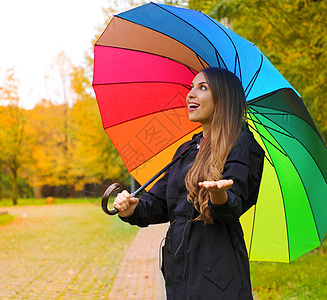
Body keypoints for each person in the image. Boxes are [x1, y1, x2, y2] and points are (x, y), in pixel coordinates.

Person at [113, 67, 265, 300]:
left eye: (202, 88)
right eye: (191, 87)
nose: (190, 95)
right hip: (179, 270)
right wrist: (134, 208)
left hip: (219, 275)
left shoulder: (241, 144)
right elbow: (161, 202)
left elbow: (233, 204)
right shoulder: (186, 150)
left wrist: (219, 196)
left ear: (224, 98)